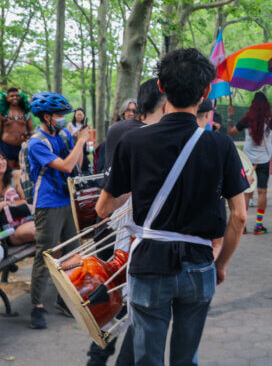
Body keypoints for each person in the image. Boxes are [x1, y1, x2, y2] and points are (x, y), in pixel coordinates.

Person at [96, 48, 249, 365]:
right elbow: (239, 216)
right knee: (185, 358)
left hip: (148, 264)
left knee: (146, 358)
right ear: (206, 92)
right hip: (198, 264)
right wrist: (220, 265)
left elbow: (103, 208)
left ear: (162, 88)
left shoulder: (132, 142)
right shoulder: (220, 145)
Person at [85, 78, 166, 366]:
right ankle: (104, 357)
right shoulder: (142, 136)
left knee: (115, 296)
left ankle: (96, 357)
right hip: (130, 230)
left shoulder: (121, 131)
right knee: (133, 306)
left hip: (114, 229)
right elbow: (115, 191)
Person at [27, 92, 91, 329]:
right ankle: (36, 306)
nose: (64, 119)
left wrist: (78, 142)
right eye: (59, 115)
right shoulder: (36, 143)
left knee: (73, 252)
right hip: (48, 204)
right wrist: (82, 141)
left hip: (67, 200)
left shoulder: (63, 134)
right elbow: (63, 165)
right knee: (46, 254)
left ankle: (64, 300)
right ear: (47, 117)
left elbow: (76, 164)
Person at [228, 92, 272, 235]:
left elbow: (230, 132)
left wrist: (230, 115)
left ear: (253, 105)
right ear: (267, 106)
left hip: (247, 161)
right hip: (263, 161)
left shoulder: (247, 119)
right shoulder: (271, 121)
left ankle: (242, 226)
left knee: (246, 192)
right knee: (262, 192)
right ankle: (258, 225)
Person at [0, 151, 34, 245]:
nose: (1, 162)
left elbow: (26, 200)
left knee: (48, 230)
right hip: (8, 231)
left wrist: (7, 204)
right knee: (39, 231)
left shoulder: (15, 176)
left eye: (2, 159)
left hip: (29, 218)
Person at [0, 88, 33, 169]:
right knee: (8, 171)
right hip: (6, 146)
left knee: (21, 171)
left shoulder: (26, 113)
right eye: (12, 96)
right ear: (7, 98)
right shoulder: (2, 113)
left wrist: (29, 136)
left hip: (22, 146)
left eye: (17, 96)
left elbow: (31, 131)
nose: (15, 98)